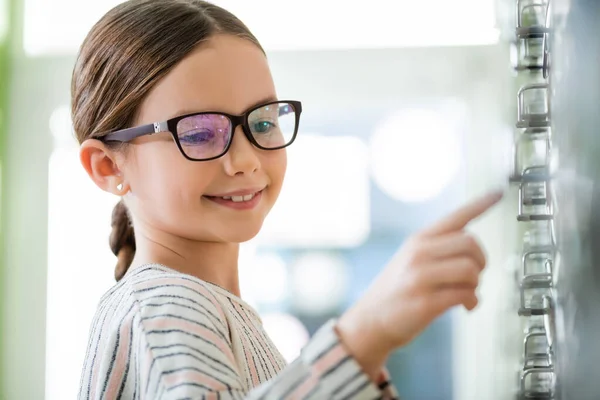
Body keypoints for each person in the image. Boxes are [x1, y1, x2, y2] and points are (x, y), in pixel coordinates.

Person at [74, 0, 503, 398]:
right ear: (108, 167)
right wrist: (366, 334)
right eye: (200, 133)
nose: (244, 160)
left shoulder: (211, 309)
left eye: (262, 123)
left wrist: (368, 352)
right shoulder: (163, 310)